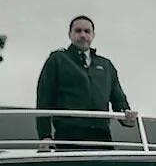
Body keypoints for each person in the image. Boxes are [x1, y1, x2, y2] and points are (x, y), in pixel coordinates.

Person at [35, 15, 138, 150]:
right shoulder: (58, 60)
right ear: (70, 34)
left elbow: (119, 100)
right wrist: (45, 135)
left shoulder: (106, 65)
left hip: (102, 136)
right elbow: (44, 98)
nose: (83, 35)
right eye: (78, 31)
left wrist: (127, 117)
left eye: (87, 31)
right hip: (69, 134)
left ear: (93, 35)